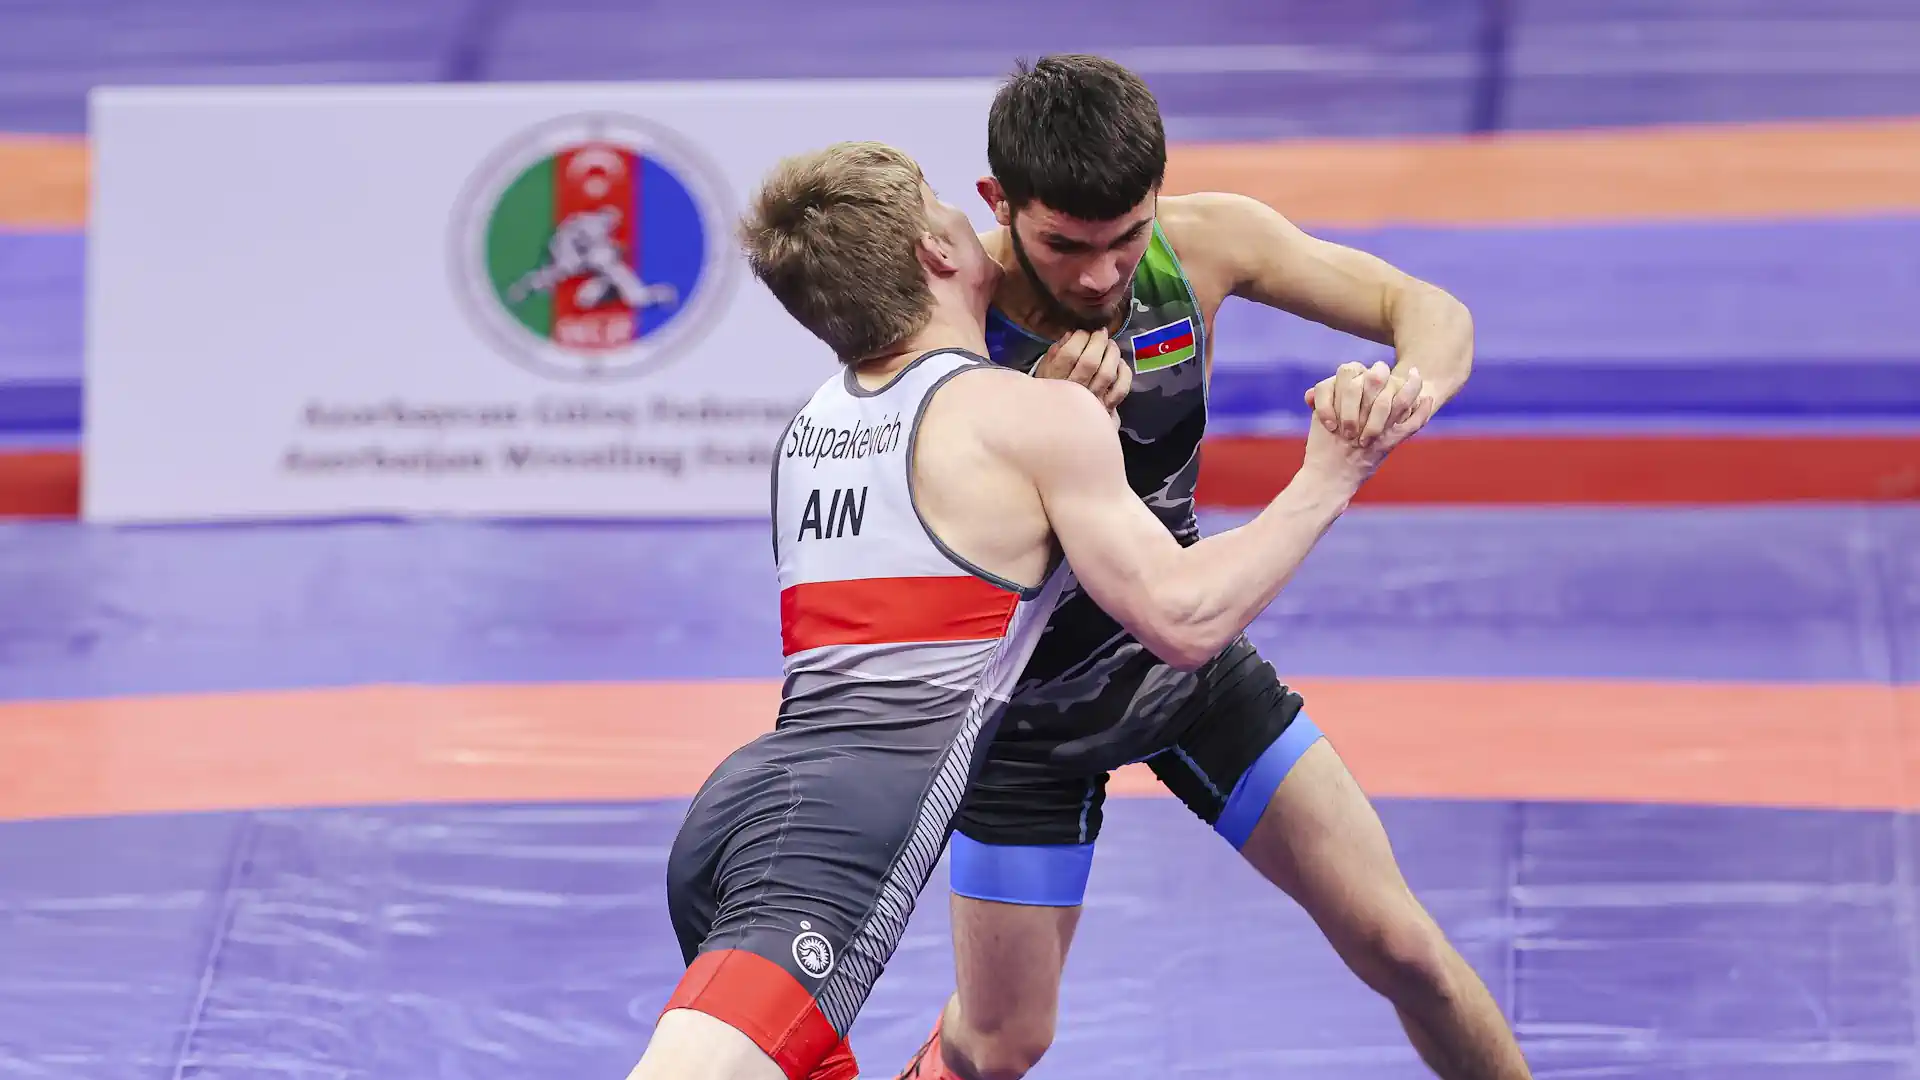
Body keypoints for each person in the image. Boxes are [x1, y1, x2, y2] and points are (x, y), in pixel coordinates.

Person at [626, 140, 1433, 1080]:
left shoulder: (815, 427)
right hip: (835, 834)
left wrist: (1045, 407)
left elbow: (966, 528)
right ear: (936, 250)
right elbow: (1182, 619)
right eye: (948, 210)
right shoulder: (1027, 420)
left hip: (741, 802)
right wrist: (1328, 474)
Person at [892, 55, 1535, 1080]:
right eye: (1064, 245)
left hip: (1186, 676)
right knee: (1001, 1042)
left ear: (1158, 197)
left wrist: (1397, 397)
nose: (1101, 276)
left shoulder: (1202, 244)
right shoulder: (943, 327)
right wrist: (1021, 410)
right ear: (998, 204)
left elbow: (1429, 309)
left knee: (1406, 948)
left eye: (1124, 238)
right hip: (1020, 720)